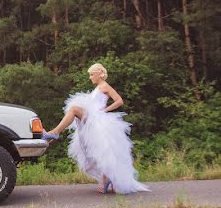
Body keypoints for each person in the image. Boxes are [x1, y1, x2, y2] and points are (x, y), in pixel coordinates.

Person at [41, 63, 149, 194]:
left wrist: (105, 109)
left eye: (92, 74)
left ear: (99, 74)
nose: (90, 77)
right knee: (99, 150)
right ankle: (106, 178)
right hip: (92, 117)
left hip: (96, 117)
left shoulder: (105, 86)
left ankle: (55, 132)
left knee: (74, 109)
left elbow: (119, 101)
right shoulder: (98, 87)